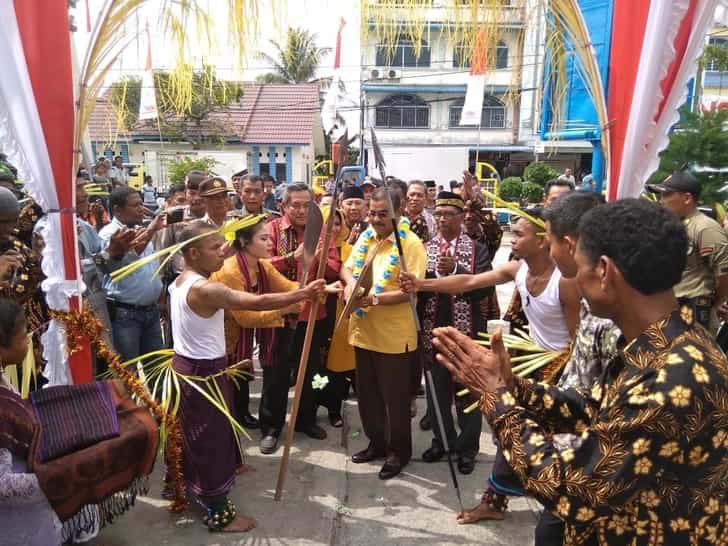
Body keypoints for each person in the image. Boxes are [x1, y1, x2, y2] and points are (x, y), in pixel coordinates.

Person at [433, 198, 728, 546]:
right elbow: (590, 407)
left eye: (578, 262)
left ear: (604, 271)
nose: (572, 273)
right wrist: (513, 385)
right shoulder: (659, 343)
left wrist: (498, 400)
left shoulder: (672, 377)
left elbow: (572, 491)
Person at [168, 221, 326, 533]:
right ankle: (218, 512)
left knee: (202, 432)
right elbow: (254, 302)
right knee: (208, 439)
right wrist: (304, 294)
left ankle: (183, 484)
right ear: (193, 252)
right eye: (215, 247)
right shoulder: (205, 288)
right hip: (202, 374)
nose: (223, 251)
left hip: (194, 368)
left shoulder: (182, 279)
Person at [401, 209, 580, 352]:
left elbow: (576, 341)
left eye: (519, 235)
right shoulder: (516, 269)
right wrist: (420, 284)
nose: (513, 241)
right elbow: (468, 282)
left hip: (560, 362)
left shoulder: (563, 282)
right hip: (535, 356)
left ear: (541, 241)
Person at [341, 187, 426, 480]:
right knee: (368, 398)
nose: (375, 219)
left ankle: (398, 453)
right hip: (363, 332)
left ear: (398, 213)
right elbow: (347, 267)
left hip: (393, 337)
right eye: (372, 213)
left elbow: (409, 292)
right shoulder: (366, 237)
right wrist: (351, 285)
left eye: (383, 214)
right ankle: (376, 444)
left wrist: (373, 299)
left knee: (395, 401)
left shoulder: (410, 245)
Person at [262, 183, 341, 453]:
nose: (301, 210)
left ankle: (306, 418)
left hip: (313, 314)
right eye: (295, 204)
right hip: (280, 314)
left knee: (312, 373)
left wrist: (318, 258)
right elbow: (262, 265)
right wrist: (291, 258)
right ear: (283, 206)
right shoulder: (271, 229)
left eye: (307, 205)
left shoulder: (322, 232)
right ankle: (272, 426)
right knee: (276, 373)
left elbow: (335, 268)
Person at [418, 191, 491, 475]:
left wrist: (457, 270)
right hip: (432, 332)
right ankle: (442, 441)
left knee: (467, 394)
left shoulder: (477, 250)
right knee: (436, 392)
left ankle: (467, 448)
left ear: (461, 218)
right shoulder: (424, 248)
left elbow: (485, 288)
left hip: (466, 334)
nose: (443, 219)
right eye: (439, 215)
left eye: (449, 215)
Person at [210, 217, 304, 431]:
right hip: (221, 336)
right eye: (263, 239)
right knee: (224, 389)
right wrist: (285, 309)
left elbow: (288, 286)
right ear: (244, 242)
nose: (271, 243)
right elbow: (246, 318)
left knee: (238, 379)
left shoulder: (262, 266)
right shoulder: (229, 272)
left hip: (237, 337)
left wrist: (318, 289)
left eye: (269, 238)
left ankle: (238, 419)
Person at [648, 171, 728, 331]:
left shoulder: (705, 227)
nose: (661, 201)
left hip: (693, 310)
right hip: (668, 308)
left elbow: (724, 273)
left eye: (667, 195)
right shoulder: (671, 227)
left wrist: (716, 302)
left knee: (690, 354)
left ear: (687, 198)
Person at [100, 186, 166, 362]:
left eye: (142, 204)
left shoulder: (140, 229)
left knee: (156, 370)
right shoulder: (110, 234)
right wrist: (151, 230)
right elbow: (126, 259)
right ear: (117, 210)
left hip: (151, 312)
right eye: (135, 205)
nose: (141, 209)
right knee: (127, 374)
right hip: (126, 316)